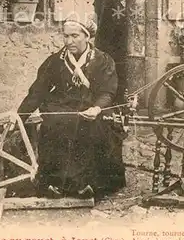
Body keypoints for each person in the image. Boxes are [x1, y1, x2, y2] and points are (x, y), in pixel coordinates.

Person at [17, 14, 126, 199]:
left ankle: (91, 183)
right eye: (66, 36)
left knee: (96, 125)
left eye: (75, 36)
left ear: (87, 36)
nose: (69, 41)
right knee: (56, 123)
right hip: (62, 105)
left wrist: (97, 108)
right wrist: (20, 117)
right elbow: (38, 92)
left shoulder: (102, 60)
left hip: (92, 105)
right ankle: (55, 183)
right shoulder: (55, 61)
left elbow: (107, 92)